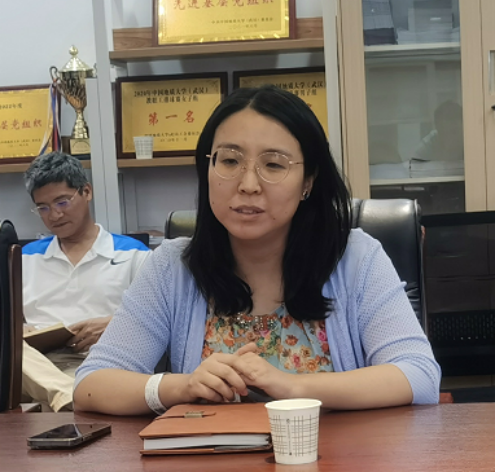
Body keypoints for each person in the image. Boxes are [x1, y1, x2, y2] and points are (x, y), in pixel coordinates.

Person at [74, 86, 441, 416]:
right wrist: (181, 387)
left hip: (334, 457)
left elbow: (419, 374)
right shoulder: (173, 267)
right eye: (230, 161)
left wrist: (292, 387)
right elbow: (91, 385)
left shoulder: (355, 258)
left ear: (308, 181)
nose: (248, 184)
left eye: (274, 165)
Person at [22, 152, 150, 411]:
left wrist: (115, 324)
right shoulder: (23, 259)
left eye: (62, 202)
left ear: (87, 192)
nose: (54, 215)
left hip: (103, 363)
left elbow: (161, 322)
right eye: (43, 208)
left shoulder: (134, 255)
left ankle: (73, 394)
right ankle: (72, 396)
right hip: (36, 365)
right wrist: (22, 331)